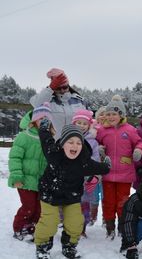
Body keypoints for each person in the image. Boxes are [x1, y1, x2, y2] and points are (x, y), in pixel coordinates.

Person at [34, 123, 110, 259]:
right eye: (70, 142)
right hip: (50, 193)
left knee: (76, 223)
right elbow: (45, 139)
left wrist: (107, 166)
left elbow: (98, 167)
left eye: (79, 143)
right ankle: (42, 247)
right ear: (62, 143)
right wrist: (44, 127)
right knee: (50, 222)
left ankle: (69, 246)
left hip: (72, 196)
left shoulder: (83, 162)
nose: (75, 146)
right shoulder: (53, 154)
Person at [96, 95, 142, 239]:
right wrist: (99, 149)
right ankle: (110, 228)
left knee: (123, 203)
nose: (110, 117)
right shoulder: (103, 131)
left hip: (124, 174)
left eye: (114, 114)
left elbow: (140, 142)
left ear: (121, 115)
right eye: (108, 114)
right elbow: (95, 144)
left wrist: (138, 151)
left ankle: (123, 228)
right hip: (108, 173)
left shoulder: (130, 130)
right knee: (108, 202)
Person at [8, 103, 54, 241]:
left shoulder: (50, 139)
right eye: (41, 119)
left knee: (39, 208)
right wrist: (17, 176)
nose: (44, 122)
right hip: (26, 180)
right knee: (29, 206)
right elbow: (15, 157)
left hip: (41, 182)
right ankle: (19, 227)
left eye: (47, 119)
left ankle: (32, 227)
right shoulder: (24, 136)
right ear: (34, 120)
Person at [30, 68, 87, 139]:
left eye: (65, 87)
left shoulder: (79, 101)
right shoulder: (47, 100)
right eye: (58, 88)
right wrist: (50, 89)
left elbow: (87, 121)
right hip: (55, 143)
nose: (62, 90)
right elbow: (36, 104)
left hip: (74, 144)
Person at [72, 109, 100, 237]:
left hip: (85, 177)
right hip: (71, 177)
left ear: (89, 125)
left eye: (85, 123)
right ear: (74, 123)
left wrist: (91, 172)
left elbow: (95, 158)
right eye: (79, 123)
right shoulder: (69, 138)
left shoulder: (92, 141)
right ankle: (70, 227)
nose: (82, 126)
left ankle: (81, 229)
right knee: (71, 203)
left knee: (84, 204)